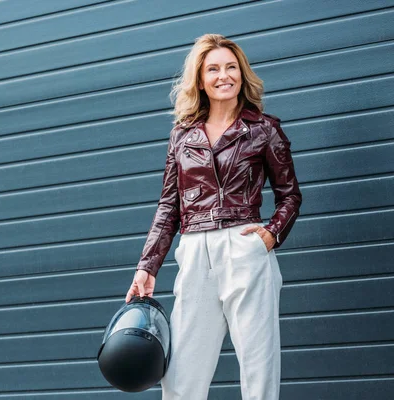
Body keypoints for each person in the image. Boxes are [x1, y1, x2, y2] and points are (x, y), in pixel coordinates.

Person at [125, 34, 302, 400]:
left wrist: (270, 235)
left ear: (242, 74)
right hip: (195, 253)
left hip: (246, 250)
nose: (224, 75)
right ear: (201, 79)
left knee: (258, 370)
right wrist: (147, 266)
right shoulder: (182, 136)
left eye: (231, 67)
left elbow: (290, 196)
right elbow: (168, 206)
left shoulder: (264, 130)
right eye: (214, 69)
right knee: (180, 378)